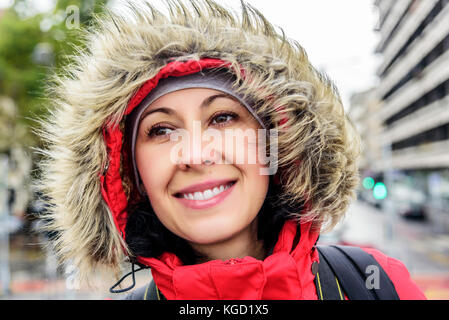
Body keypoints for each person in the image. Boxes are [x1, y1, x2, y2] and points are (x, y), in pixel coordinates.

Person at [35, 0, 426, 300]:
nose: (195, 154)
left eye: (222, 119)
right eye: (161, 130)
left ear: (277, 144)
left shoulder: (375, 284)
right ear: (128, 173)